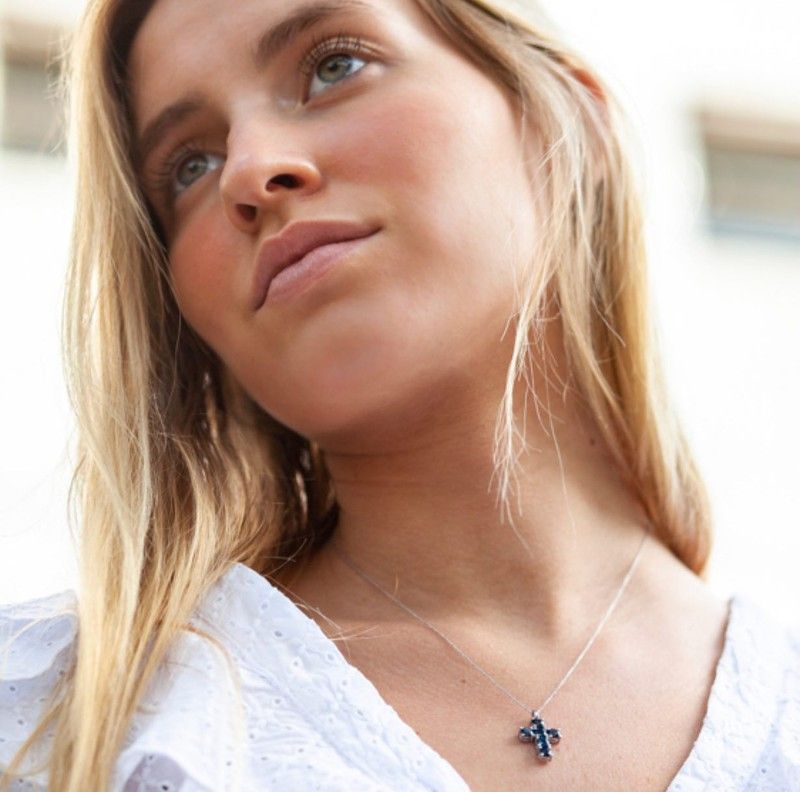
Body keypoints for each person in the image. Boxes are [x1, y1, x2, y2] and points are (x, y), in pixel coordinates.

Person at [1, 0, 798, 789]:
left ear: (570, 125)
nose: (248, 170)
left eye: (335, 66)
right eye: (189, 166)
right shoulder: (67, 727)